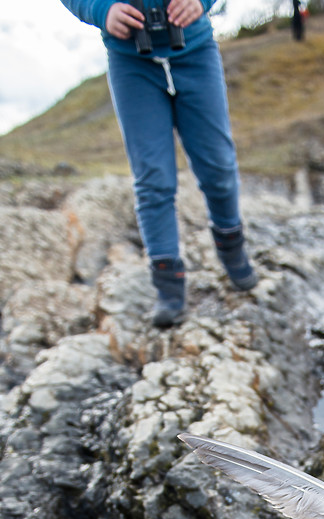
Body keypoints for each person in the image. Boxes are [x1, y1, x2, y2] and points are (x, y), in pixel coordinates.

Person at [60, 0, 257, 327]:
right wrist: (101, 10)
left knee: (218, 166)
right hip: (130, 61)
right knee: (152, 178)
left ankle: (231, 246)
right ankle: (168, 286)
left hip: (195, 50)